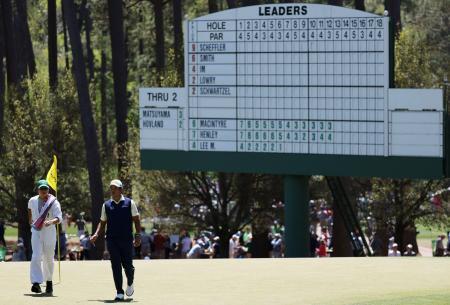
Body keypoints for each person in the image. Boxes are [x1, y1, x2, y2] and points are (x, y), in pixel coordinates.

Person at [90, 179, 141, 301]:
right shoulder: (106, 205)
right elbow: (102, 223)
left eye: (115, 188)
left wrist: (138, 235)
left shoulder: (129, 203)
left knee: (128, 266)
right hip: (112, 240)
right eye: (111, 188)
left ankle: (130, 282)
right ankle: (119, 292)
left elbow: (136, 220)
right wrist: (96, 234)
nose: (112, 190)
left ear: (120, 189)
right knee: (115, 265)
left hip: (127, 239)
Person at [28, 179, 62, 295]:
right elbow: (30, 211)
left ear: (48, 189)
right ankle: (36, 283)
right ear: (38, 189)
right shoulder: (32, 200)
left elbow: (59, 218)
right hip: (36, 231)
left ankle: (49, 281)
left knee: (48, 258)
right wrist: (30, 222)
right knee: (36, 255)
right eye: (41, 189)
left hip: (49, 232)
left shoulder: (54, 202)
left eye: (45, 189)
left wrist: (51, 222)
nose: (43, 191)